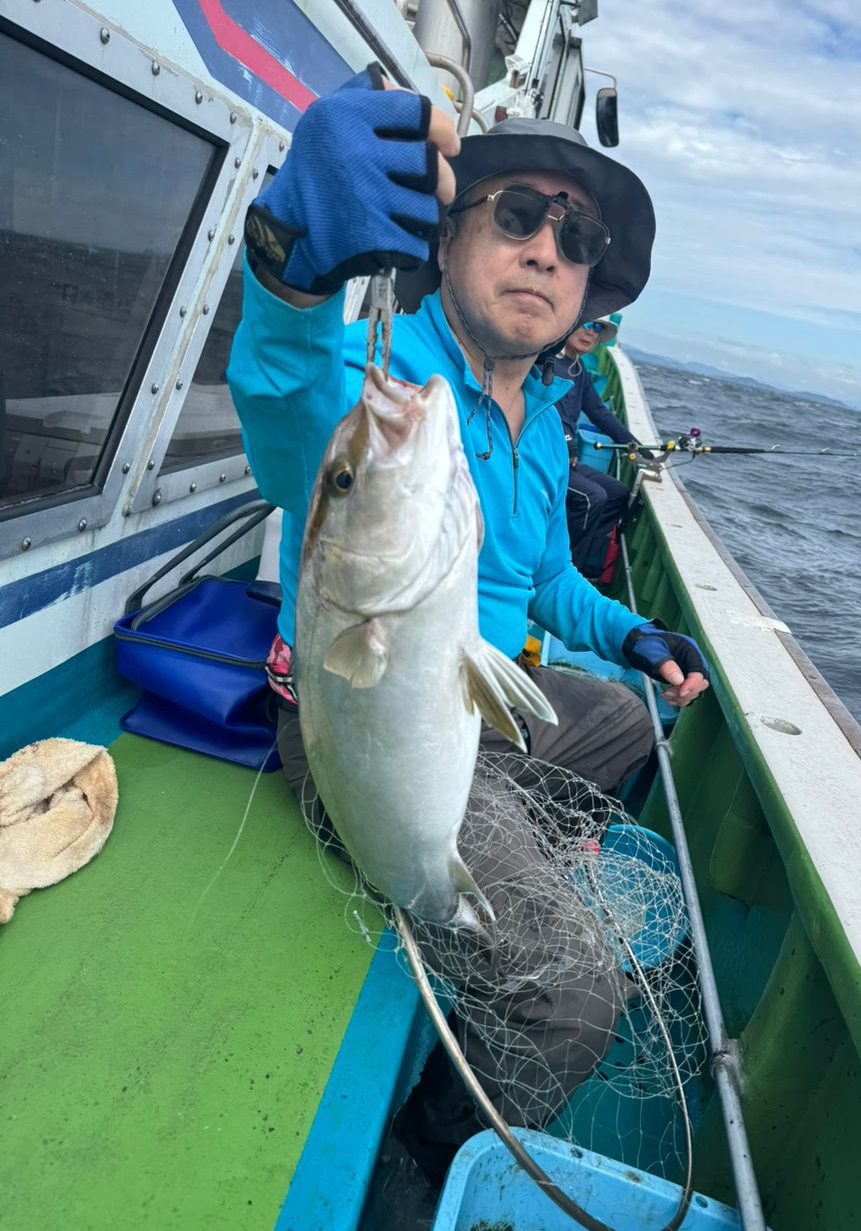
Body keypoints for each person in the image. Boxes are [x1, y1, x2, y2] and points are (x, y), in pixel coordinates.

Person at [226, 63, 709, 1225]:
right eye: (519, 213)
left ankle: (524, 840)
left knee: (633, 714)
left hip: (482, 699)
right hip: (373, 719)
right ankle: (418, 1158)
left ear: (588, 283)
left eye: (576, 237)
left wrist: (631, 630)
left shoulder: (544, 422)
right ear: (447, 237)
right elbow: (291, 411)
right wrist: (288, 265)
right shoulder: (384, 377)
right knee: (572, 999)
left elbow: (544, 581)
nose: (546, 249)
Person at [555, 317, 635, 573]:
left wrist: (634, 445)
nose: (591, 333)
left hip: (566, 464)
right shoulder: (546, 363)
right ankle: (561, 568)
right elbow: (543, 410)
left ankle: (579, 560)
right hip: (543, 461)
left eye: (598, 328)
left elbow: (599, 413)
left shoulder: (580, 371)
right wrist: (567, 440)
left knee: (617, 494)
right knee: (592, 497)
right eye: (587, 324)